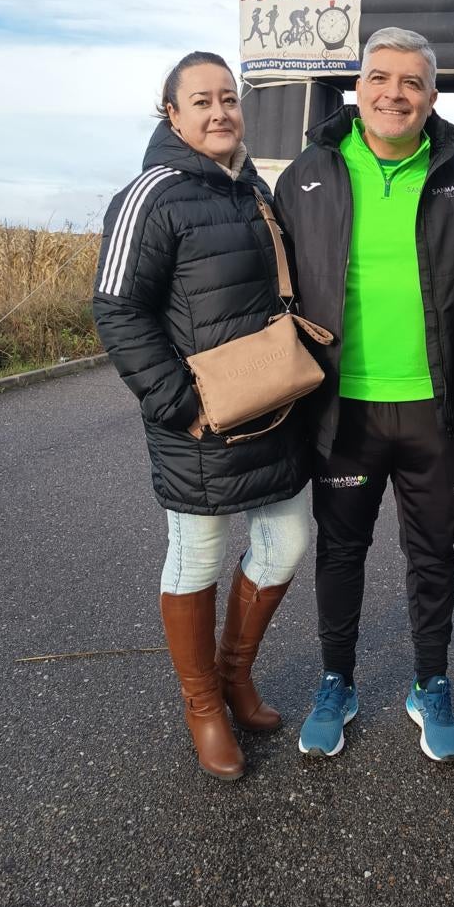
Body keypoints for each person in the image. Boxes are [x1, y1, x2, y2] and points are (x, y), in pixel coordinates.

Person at [274, 27, 454, 761]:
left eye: (410, 81)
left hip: (431, 410)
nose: (392, 92)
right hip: (344, 410)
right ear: (356, 86)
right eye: (378, 77)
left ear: (431, 96)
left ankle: (429, 681)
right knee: (341, 550)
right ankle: (337, 678)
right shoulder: (308, 172)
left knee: (432, 553)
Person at [93, 52, 311, 781]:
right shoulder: (150, 194)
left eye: (229, 98)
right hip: (197, 422)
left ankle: (234, 674)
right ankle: (202, 705)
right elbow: (117, 308)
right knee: (198, 558)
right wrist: (176, 403)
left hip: (270, 410)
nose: (219, 111)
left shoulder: (253, 188)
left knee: (285, 542)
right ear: (171, 113)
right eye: (201, 101)